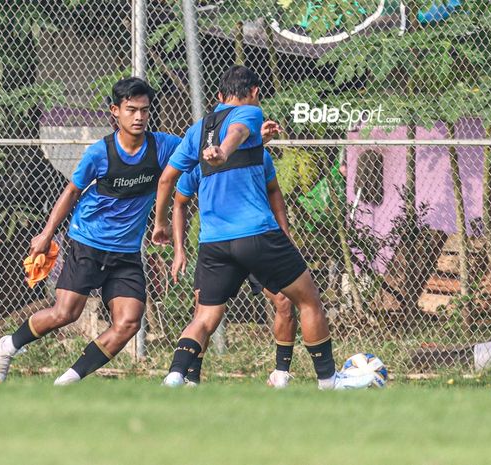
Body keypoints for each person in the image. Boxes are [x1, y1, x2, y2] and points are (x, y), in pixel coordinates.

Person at [152, 65, 374, 390]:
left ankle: (174, 377)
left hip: (214, 242)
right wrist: (223, 151)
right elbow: (237, 133)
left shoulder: (197, 130)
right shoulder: (249, 112)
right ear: (254, 92)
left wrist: (160, 224)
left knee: (204, 318)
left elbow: (166, 179)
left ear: (217, 97)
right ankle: (328, 381)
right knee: (308, 299)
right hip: (255, 233)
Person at [0, 77, 182, 385]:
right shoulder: (99, 153)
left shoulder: (163, 146)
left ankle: (68, 381)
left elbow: (198, 150)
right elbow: (71, 192)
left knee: (129, 321)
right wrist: (47, 233)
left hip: (127, 251)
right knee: (65, 313)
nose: (139, 117)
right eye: (131, 110)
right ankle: (8, 345)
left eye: (144, 111)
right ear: (115, 111)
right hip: (88, 242)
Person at [171, 163, 297, 388]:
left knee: (284, 300)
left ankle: (281, 374)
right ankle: (189, 377)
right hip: (219, 246)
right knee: (204, 312)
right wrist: (179, 249)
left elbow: (274, 191)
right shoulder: (200, 161)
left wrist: (285, 235)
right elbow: (180, 202)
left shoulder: (256, 154)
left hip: (257, 242)